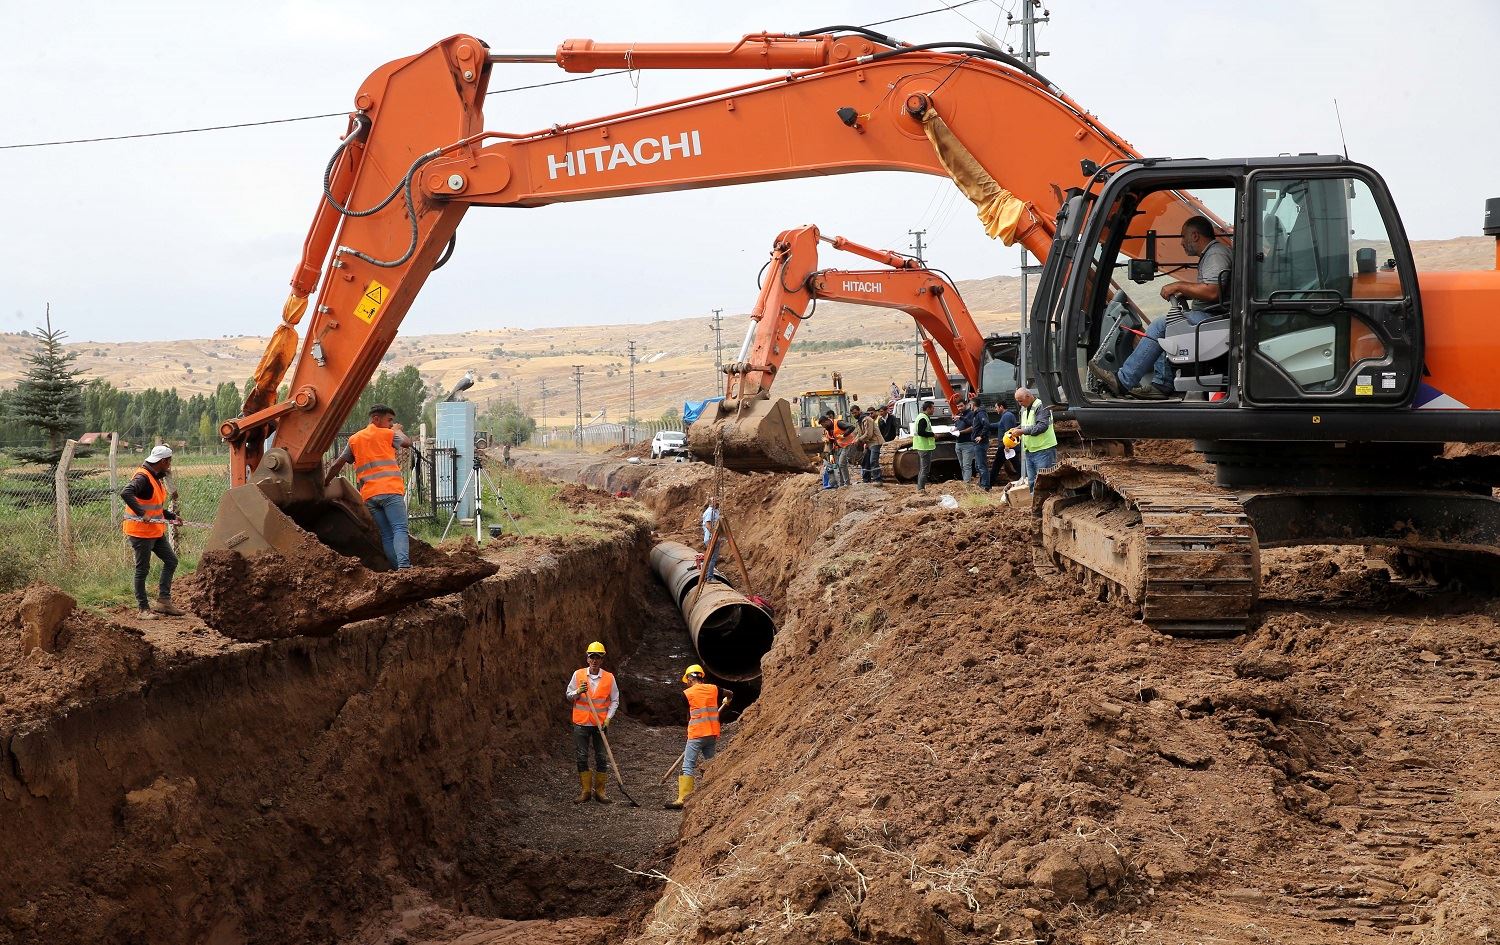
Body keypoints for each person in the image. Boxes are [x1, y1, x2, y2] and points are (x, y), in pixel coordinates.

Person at [1092, 216, 1231, 399]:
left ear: (1195, 236)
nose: (1181, 242)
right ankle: (1162, 384)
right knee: (1169, 325)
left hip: (1215, 318)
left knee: (1161, 325)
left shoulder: (1215, 255)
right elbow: (1214, 291)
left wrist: (1179, 286)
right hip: (1213, 316)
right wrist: (1186, 293)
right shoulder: (1213, 254)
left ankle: (1123, 381)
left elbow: (1213, 291)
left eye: (1183, 236)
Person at [324, 403, 412, 569]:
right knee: (399, 529)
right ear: (376, 419)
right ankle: (404, 567)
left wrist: (325, 482)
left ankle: (398, 570)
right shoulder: (388, 434)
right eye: (389, 420)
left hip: (370, 497)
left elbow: (337, 464)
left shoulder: (354, 439)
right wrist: (398, 430)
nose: (391, 424)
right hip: (390, 491)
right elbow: (407, 443)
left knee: (387, 535)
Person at [121, 444, 184, 618]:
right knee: (142, 570)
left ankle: (163, 602)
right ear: (163, 461)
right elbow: (126, 493)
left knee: (171, 561)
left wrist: (172, 516)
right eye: (169, 461)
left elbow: (155, 507)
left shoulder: (154, 477)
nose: (170, 465)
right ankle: (143, 609)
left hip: (154, 531)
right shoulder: (143, 477)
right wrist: (142, 514)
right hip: (141, 532)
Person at [668, 664, 731, 809]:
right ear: (701, 676)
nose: (687, 683)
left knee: (688, 765)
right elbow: (730, 693)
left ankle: (683, 799)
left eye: (687, 680)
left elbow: (688, 715)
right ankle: (713, 793)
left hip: (696, 734)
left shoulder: (687, 694)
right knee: (710, 763)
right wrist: (726, 701)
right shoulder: (714, 689)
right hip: (712, 733)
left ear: (690, 679)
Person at [566, 641, 619, 803]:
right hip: (581, 723)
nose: (594, 660)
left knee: (601, 757)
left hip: (599, 725)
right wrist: (578, 691)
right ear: (588, 658)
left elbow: (615, 700)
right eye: (592, 657)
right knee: (582, 757)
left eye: (598, 657)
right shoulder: (578, 675)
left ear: (602, 659)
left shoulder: (609, 678)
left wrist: (608, 718)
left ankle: (600, 792)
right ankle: (586, 791)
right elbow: (568, 695)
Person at [1009, 387, 1058, 491]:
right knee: (1032, 482)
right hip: (1031, 451)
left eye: (1021, 401)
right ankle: (1034, 501)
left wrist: (1021, 431)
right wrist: (1017, 429)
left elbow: (1041, 426)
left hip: (1044, 450)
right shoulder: (1026, 408)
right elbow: (1026, 425)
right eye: (1018, 401)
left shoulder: (1041, 406)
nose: (1019, 404)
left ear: (1028, 396)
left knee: (1044, 483)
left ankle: (1046, 501)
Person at [991, 403, 1021, 484]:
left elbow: (1009, 431)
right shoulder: (1006, 416)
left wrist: (1007, 445)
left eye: (996, 407)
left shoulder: (1007, 416)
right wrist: (987, 425)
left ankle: (988, 484)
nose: (995, 409)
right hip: (1008, 445)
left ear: (1001, 407)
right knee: (1016, 465)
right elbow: (998, 425)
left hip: (1006, 446)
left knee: (996, 465)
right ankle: (1024, 478)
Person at [912, 401, 937, 493]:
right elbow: (921, 432)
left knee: (923, 469)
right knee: (925, 469)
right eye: (933, 408)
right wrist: (932, 434)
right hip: (924, 447)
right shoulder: (923, 418)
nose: (934, 410)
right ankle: (921, 489)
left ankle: (920, 488)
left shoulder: (922, 417)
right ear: (928, 408)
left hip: (922, 446)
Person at [858, 404, 886, 483]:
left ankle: (878, 479)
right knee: (865, 461)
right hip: (869, 443)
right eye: (852, 413)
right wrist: (856, 440)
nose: (854, 415)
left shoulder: (867, 420)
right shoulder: (860, 421)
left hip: (875, 442)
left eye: (855, 412)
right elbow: (860, 433)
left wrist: (859, 440)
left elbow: (868, 434)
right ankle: (866, 479)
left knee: (873, 461)